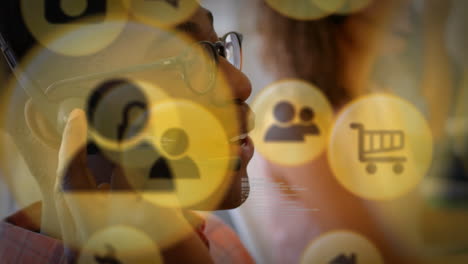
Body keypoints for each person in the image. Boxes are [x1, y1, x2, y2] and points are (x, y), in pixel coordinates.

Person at [0, 1, 255, 263]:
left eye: (218, 49)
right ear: (62, 121)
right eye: (188, 61)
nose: (241, 84)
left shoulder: (220, 244)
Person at [247, 0, 459, 263]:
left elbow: (415, 220)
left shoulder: (375, 97)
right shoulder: (293, 119)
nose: (401, 5)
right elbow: (379, 254)